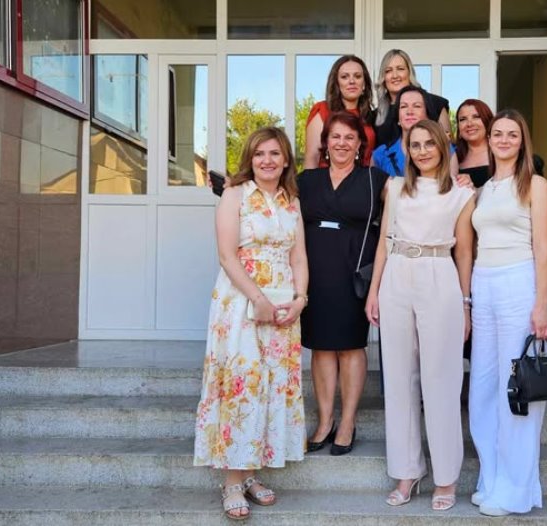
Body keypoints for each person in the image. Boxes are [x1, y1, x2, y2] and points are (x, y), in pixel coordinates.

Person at [194, 127, 308, 521]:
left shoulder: (292, 201)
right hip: (241, 301)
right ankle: (231, 481)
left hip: (282, 306)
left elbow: (299, 257)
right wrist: (257, 299)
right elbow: (227, 256)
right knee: (242, 384)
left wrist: (300, 300)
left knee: (270, 385)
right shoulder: (235, 195)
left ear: (286, 159)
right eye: (260, 154)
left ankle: (250, 473)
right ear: (250, 159)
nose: (267, 161)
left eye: (275, 153)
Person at [365, 119, 475, 511]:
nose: (423, 150)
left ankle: (446, 477)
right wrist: (374, 291)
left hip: (439, 273)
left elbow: (464, 251)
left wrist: (465, 303)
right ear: (407, 151)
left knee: (441, 379)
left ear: (443, 146)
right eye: (415, 145)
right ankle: (407, 471)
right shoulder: (395, 187)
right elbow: (382, 243)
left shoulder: (461, 194)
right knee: (398, 378)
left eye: (430, 143)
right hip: (396, 273)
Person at [468, 109, 547, 516]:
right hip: (482, 284)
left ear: (523, 141)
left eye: (512, 134)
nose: (503, 139)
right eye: (497, 133)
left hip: (518, 283)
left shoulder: (535, 184)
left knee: (516, 386)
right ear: (488, 140)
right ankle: (492, 477)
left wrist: (542, 304)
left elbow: (544, 250)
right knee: (483, 386)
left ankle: (516, 489)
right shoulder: (483, 189)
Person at [298, 111, 389, 456]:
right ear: (325, 143)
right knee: (321, 346)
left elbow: (415, 194)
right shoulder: (306, 180)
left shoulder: (376, 180)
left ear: (360, 145)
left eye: (349, 138)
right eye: (335, 136)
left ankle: (347, 422)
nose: (342, 143)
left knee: (351, 346)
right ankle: (325, 421)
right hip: (314, 271)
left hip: (354, 272)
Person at [304, 55, 376, 169]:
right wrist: (309, 180)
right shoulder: (322, 110)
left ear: (364, 84)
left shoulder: (370, 116)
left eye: (357, 76)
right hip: (326, 178)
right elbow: (312, 157)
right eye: (344, 77)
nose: (352, 81)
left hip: (364, 178)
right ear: (337, 83)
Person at [372, 85, 458, 178]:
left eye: (417, 106)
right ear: (398, 117)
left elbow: (452, 184)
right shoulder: (381, 154)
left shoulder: (445, 148)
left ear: (427, 115)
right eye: (403, 106)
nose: (409, 111)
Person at [374, 49, 451, 146]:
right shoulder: (375, 116)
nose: (395, 75)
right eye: (388, 71)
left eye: (400, 69)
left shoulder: (435, 104)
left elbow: (447, 147)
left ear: (409, 72)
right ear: (383, 77)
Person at [456, 98, 494, 188]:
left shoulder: (501, 153)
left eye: (476, 117)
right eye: (463, 119)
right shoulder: (453, 158)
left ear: (488, 121)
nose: (469, 124)